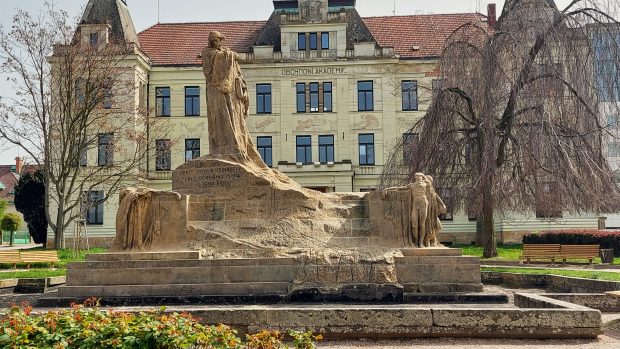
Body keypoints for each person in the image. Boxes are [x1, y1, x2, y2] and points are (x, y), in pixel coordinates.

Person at [202, 31, 265, 168]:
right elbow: (210, 68)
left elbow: (234, 65)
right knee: (220, 118)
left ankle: (236, 146)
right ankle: (223, 147)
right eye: (216, 41)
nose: (219, 43)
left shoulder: (224, 52)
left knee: (234, 120)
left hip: (230, 93)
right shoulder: (208, 52)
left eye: (219, 41)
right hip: (216, 91)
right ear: (211, 41)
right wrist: (230, 55)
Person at [382, 173, 430, 247]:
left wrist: (423, 175)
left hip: (423, 204)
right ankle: (416, 241)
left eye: (418, 175)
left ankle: (421, 242)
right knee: (414, 225)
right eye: (415, 176)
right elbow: (399, 188)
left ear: (421, 176)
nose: (417, 177)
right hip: (415, 204)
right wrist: (387, 189)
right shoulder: (412, 185)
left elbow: (429, 183)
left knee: (422, 224)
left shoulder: (425, 183)